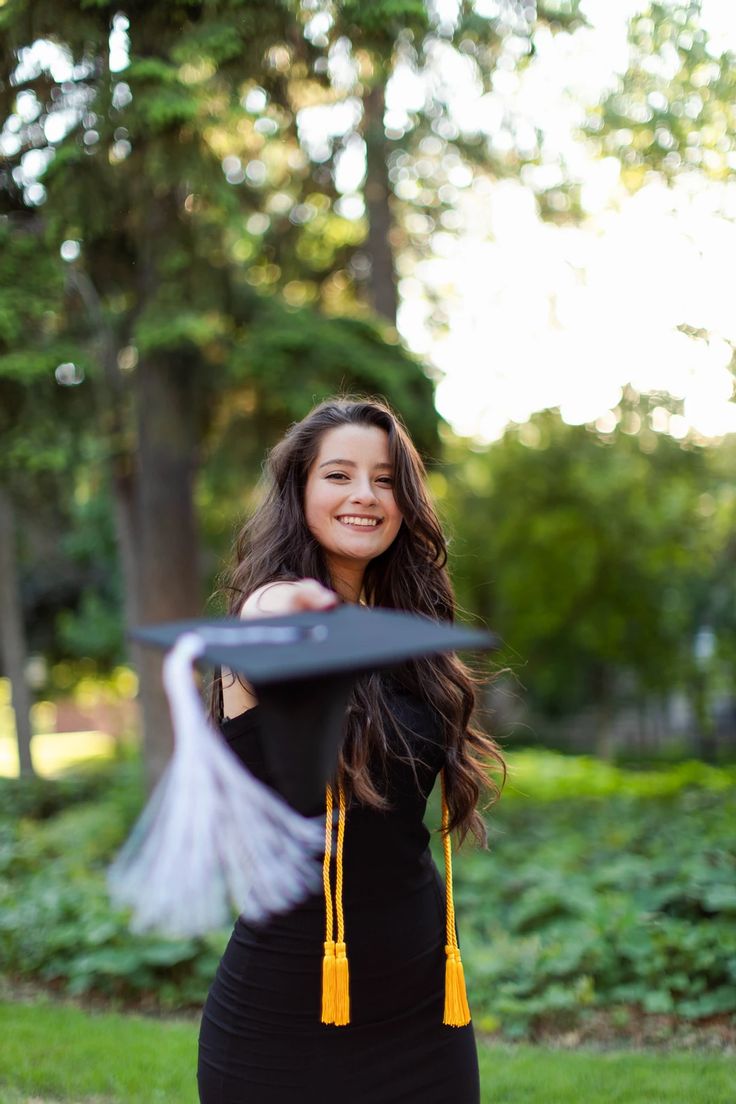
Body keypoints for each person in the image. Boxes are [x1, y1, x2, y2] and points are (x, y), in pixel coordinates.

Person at [197, 397, 505, 1104]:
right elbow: (265, 618)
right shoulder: (270, 614)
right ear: (300, 491)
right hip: (287, 1017)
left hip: (424, 1008)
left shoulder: (407, 634)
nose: (365, 495)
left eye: (386, 478)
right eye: (339, 475)